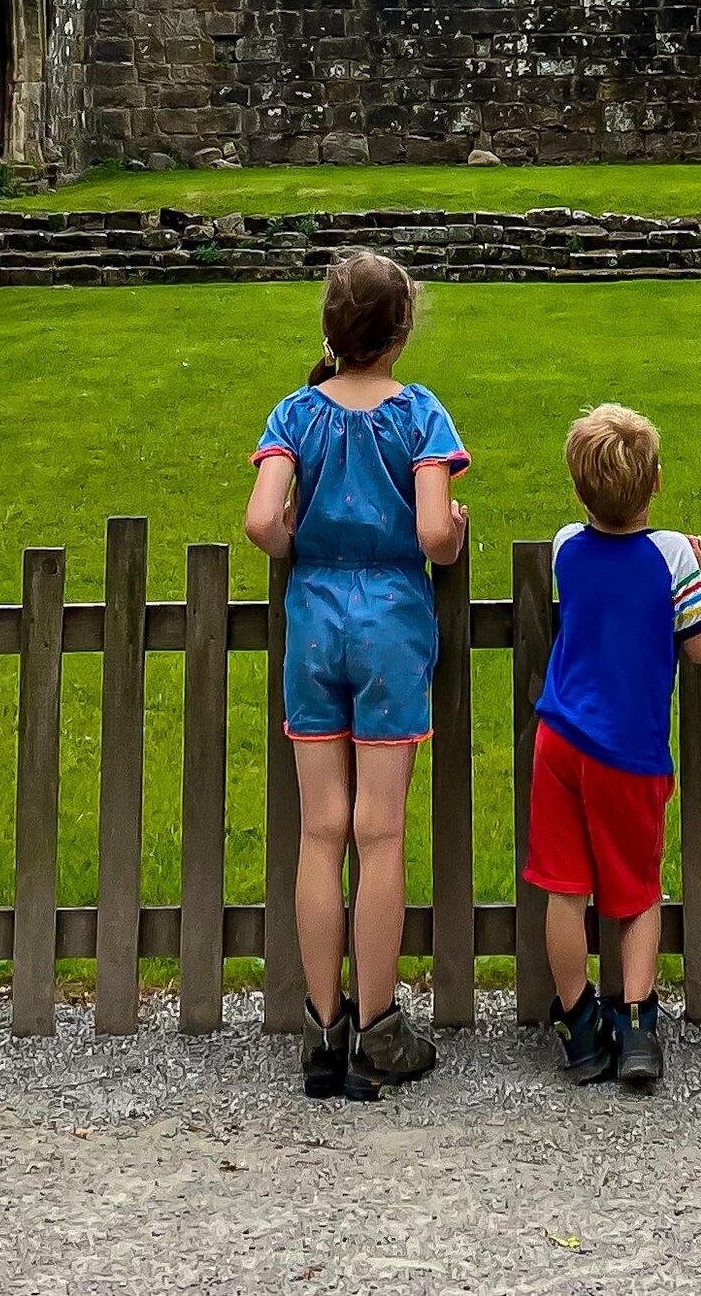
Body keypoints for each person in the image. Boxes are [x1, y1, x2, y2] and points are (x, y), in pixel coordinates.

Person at [244, 250, 468, 1101]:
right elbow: (433, 531)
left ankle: (320, 1023)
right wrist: (451, 532)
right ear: (401, 331)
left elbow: (262, 516)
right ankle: (380, 1027)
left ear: (330, 331)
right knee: (379, 832)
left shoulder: (296, 413)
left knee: (319, 831)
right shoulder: (419, 413)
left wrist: (301, 542)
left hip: (315, 622)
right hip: (390, 626)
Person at [522, 401, 701, 1092]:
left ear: (580, 490)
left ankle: (577, 1024)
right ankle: (636, 1024)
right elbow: (700, 647)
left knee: (565, 887)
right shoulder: (668, 557)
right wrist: (693, 567)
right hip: (628, 751)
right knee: (634, 892)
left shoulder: (564, 546)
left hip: (559, 739)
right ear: (657, 481)